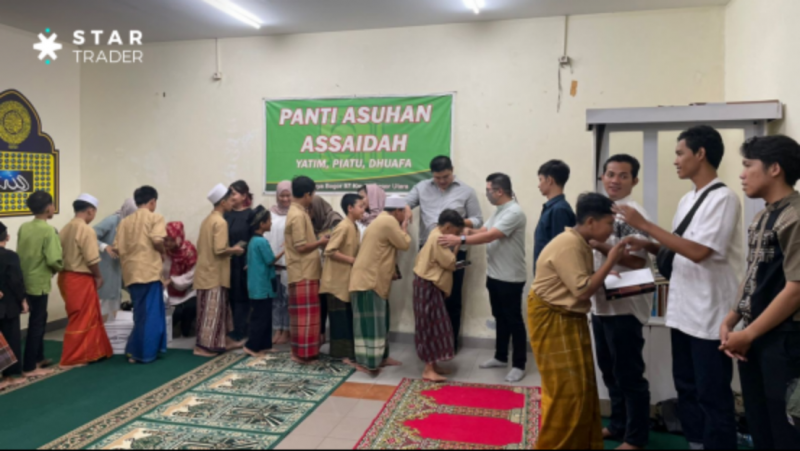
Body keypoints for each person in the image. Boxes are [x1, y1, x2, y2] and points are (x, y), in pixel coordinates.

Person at [616, 125, 743, 450]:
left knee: (712, 394)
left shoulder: (723, 198)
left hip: (710, 315)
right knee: (686, 387)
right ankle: (696, 443)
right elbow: (681, 249)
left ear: (700, 154)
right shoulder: (688, 199)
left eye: (679, 153)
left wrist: (645, 225)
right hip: (683, 311)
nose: (675, 160)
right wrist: (649, 244)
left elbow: (699, 252)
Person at [718, 136, 800, 449]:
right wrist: (731, 319)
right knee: (760, 422)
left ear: (774, 168)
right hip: (754, 336)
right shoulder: (763, 215)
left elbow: (796, 289)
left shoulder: (795, 216)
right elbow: (753, 272)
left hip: (786, 339)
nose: (742, 174)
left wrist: (748, 333)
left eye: (748, 165)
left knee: (787, 428)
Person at [529, 193, 627, 450]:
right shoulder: (569, 244)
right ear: (591, 221)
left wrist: (603, 272)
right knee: (566, 394)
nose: (611, 230)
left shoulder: (579, 242)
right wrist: (611, 259)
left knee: (581, 387)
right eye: (609, 223)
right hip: (553, 317)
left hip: (568, 317)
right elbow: (582, 290)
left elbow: (579, 278)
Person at [439, 173, 528, 383]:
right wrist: (464, 230)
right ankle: (500, 356)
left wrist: (459, 239)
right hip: (494, 274)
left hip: (510, 277)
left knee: (514, 321)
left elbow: (490, 236)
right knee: (500, 317)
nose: (486, 194)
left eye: (488, 190)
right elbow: (482, 230)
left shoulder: (515, 212)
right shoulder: (499, 211)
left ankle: (519, 364)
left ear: (499, 191)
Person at [591, 155, 652, 450]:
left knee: (629, 375)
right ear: (602, 177)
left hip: (625, 307)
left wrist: (599, 245)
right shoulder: (604, 209)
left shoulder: (631, 214)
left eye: (623, 176)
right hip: (602, 304)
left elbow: (637, 259)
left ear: (634, 181)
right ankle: (618, 425)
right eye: (610, 174)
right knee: (609, 371)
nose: (615, 180)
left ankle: (636, 437)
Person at [406, 156, 483, 352]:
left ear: (452, 170)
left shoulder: (466, 191)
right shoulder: (422, 187)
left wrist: (456, 224)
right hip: (428, 251)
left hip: (455, 249)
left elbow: (478, 220)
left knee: (452, 298)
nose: (441, 181)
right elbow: (406, 203)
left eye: (445, 177)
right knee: (427, 301)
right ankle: (429, 346)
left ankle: (449, 345)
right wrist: (405, 209)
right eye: (437, 177)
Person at [350, 195, 411, 373]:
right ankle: (367, 363)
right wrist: (404, 226)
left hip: (371, 280)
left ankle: (382, 358)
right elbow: (404, 243)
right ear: (398, 211)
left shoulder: (381, 220)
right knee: (370, 325)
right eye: (404, 213)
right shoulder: (388, 221)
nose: (405, 216)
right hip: (368, 281)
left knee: (380, 322)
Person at [113, 186, 168, 364]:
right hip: (149, 271)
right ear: (152, 202)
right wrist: (162, 252)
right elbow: (157, 240)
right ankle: (144, 353)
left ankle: (133, 350)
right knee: (152, 314)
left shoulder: (124, 222)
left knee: (140, 313)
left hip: (131, 273)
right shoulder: (155, 217)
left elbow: (116, 248)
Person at [58, 194, 113, 370]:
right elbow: (91, 259)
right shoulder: (86, 230)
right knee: (81, 318)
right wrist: (98, 276)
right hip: (80, 278)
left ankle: (92, 352)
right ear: (90, 211)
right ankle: (73, 357)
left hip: (66, 277)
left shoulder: (66, 228)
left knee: (86, 316)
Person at [194, 184, 245, 357]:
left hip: (206, 272)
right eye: (230, 200)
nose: (233, 203)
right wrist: (235, 250)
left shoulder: (208, 220)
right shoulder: (220, 222)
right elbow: (220, 249)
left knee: (219, 311)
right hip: (213, 275)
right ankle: (203, 348)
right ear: (223, 202)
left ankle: (225, 341)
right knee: (211, 313)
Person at [413, 209, 464, 382]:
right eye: (455, 232)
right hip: (428, 285)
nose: (455, 236)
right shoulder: (439, 238)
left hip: (425, 283)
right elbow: (450, 262)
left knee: (435, 324)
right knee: (430, 326)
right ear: (448, 227)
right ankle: (428, 369)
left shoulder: (435, 231)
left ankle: (433, 365)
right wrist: (457, 245)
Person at [17, 190, 62, 377]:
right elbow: (54, 259)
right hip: (39, 282)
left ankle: (38, 357)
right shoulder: (48, 230)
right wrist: (59, 268)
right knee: (37, 323)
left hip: (23, 279)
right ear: (48, 208)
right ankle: (29, 366)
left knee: (40, 319)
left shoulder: (24, 227)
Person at [285, 176, 329, 364]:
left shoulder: (297, 212)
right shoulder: (297, 215)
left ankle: (301, 352)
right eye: (313, 194)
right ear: (306, 194)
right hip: (303, 272)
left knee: (304, 316)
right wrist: (320, 242)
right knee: (306, 317)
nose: (313, 197)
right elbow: (301, 247)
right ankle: (303, 355)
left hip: (304, 270)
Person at [320, 194, 365, 367]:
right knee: (340, 320)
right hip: (335, 283)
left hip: (345, 281)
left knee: (346, 318)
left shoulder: (354, 226)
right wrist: (353, 260)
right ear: (350, 208)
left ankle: (347, 354)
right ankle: (341, 356)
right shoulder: (343, 226)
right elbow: (330, 251)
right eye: (360, 206)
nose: (363, 210)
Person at [94, 198, 138, 321]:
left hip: (120, 268)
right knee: (106, 303)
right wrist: (104, 246)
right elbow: (89, 235)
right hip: (107, 268)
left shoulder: (132, 224)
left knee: (115, 303)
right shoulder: (113, 220)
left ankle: (111, 330)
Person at [309, 195, 343, 344]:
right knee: (320, 299)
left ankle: (338, 338)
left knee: (334, 301)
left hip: (335, 265)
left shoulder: (335, 220)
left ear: (317, 208)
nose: (309, 213)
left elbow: (336, 243)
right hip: (318, 266)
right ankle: (321, 332)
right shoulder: (311, 222)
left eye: (310, 209)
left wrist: (319, 242)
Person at [225, 180, 255, 347]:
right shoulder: (225, 214)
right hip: (226, 262)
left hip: (244, 263)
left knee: (242, 298)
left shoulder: (251, 215)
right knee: (229, 297)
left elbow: (255, 240)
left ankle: (242, 332)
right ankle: (231, 330)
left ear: (244, 196)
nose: (231, 196)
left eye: (234, 193)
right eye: (229, 193)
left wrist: (251, 261)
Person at [244, 207, 277, 357]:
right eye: (269, 220)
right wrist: (285, 251)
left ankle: (264, 345)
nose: (271, 223)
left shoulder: (253, 241)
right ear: (262, 224)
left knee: (266, 317)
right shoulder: (261, 241)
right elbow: (270, 260)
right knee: (260, 318)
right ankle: (251, 346)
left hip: (259, 285)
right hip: (262, 286)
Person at [0, 221, 29, 390]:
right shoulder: (10, 256)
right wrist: (23, 299)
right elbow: (15, 281)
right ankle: (9, 376)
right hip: (8, 305)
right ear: (7, 237)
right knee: (10, 339)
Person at [534, 160, 577, 269]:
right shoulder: (552, 208)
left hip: (552, 274)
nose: (538, 185)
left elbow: (559, 250)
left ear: (549, 180)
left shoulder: (559, 210)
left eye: (540, 180)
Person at [163, 222, 198, 339]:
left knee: (191, 307)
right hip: (168, 293)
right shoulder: (163, 251)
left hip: (188, 291)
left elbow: (192, 274)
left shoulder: (189, 251)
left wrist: (172, 280)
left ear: (179, 238)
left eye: (171, 240)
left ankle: (187, 330)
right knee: (174, 312)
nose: (168, 243)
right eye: (166, 240)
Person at [269, 181, 291, 345]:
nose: (284, 199)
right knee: (276, 299)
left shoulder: (296, 213)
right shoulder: (271, 213)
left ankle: (287, 330)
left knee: (287, 298)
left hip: (288, 263)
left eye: (288, 195)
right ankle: (278, 329)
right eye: (281, 196)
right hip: (274, 262)